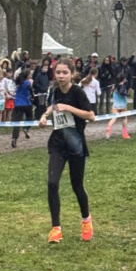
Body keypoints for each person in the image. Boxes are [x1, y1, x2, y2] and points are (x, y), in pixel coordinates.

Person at [38, 57, 95, 243]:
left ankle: (86, 220)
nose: (61, 76)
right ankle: (56, 228)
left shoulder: (77, 92)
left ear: (72, 74)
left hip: (75, 145)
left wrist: (69, 107)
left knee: (77, 185)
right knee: (52, 183)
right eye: (58, 72)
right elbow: (52, 106)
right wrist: (45, 116)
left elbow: (91, 116)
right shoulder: (54, 91)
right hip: (58, 143)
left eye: (65, 72)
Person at [10, 68, 33, 147]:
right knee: (30, 117)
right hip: (27, 103)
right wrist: (33, 96)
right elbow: (31, 91)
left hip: (18, 104)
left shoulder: (18, 82)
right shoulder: (27, 82)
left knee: (16, 122)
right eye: (30, 74)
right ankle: (26, 128)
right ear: (27, 75)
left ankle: (14, 138)